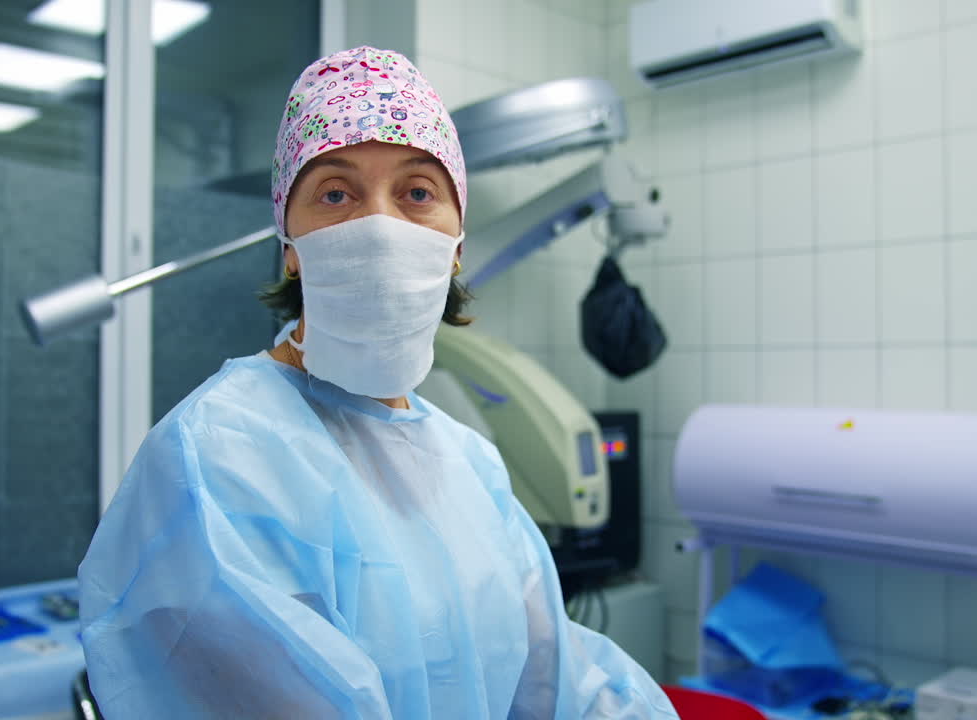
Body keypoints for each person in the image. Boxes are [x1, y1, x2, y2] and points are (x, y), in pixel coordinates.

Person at [77, 46, 678, 720]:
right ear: (291, 247)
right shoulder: (218, 456)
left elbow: (553, 673)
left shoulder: (468, 462)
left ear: (456, 246)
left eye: (418, 192)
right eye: (336, 193)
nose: (381, 227)